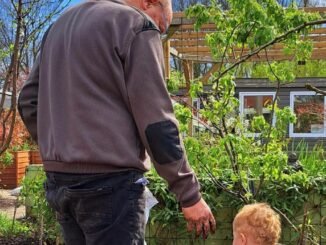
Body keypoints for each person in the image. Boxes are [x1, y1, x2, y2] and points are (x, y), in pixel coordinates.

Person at [18, 0, 216, 244]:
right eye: (161, 26)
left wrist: (61, 144)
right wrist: (189, 194)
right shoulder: (135, 24)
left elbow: (27, 101)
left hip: (60, 183)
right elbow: (156, 123)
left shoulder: (59, 25)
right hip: (110, 186)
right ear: (149, 2)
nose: (158, 34)